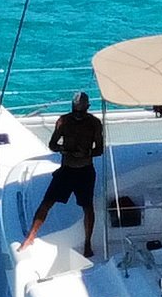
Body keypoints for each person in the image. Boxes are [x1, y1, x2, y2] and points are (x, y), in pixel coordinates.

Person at [26, 91, 109, 257]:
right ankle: (31, 236)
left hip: (85, 170)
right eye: (75, 111)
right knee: (47, 202)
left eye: (81, 111)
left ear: (87, 108)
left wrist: (86, 153)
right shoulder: (63, 121)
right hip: (66, 170)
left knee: (87, 207)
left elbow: (99, 150)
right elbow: (52, 144)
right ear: (72, 108)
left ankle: (87, 244)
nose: (78, 114)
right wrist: (64, 149)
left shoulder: (94, 123)